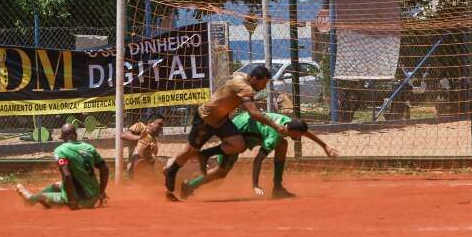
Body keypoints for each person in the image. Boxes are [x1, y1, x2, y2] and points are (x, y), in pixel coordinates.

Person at [163, 66, 287, 201]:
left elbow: (236, 75)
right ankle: (172, 170)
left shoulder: (242, 77)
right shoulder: (245, 88)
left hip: (221, 120)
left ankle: (205, 154)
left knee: (238, 145)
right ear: (254, 79)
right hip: (206, 118)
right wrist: (275, 125)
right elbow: (254, 113)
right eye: (263, 84)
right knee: (189, 151)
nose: (263, 88)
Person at [180, 112, 338, 199]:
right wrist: (255, 185)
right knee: (221, 173)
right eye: (299, 135)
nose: (301, 137)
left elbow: (304, 131)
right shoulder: (274, 136)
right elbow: (257, 160)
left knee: (283, 144)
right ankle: (189, 185)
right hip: (236, 133)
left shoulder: (288, 123)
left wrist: (324, 146)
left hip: (245, 125)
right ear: (292, 131)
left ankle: (277, 188)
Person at [15, 124, 109, 209]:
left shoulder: (61, 150)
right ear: (75, 135)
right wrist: (101, 191)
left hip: (81, 201)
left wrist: (71, 200)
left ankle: (31, 200)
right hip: (94, 196)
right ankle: (49, 199)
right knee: (56, 185)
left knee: (42, 197)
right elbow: (105, 169)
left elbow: (67, 175)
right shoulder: (89, 147)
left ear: (63, 137)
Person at [121, 113, 164, 177]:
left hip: (145, 175)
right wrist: (139, 137)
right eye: (159, 124)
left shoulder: (155, 145)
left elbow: (151, 165)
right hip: (134, 171)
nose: (161, 128)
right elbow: (124, 135)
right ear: (150, 123)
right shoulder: (140, 127)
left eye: (162, 126)